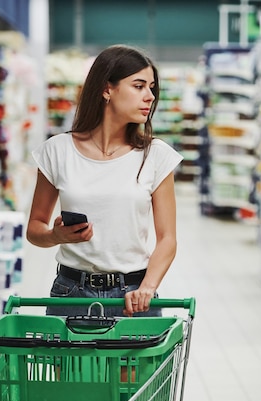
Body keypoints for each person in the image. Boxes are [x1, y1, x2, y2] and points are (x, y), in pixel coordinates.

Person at [26, 45, 183, 318]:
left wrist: (148, 287)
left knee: (132, 364)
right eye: (138, 86)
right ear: (106, 89)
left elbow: (168, 238)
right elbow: (34, 228)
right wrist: (55, 235)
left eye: (152, 88)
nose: (150, 96)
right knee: (73, 364)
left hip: (135, 296)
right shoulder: (58, 151)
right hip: (72, 294)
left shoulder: (155, 156)